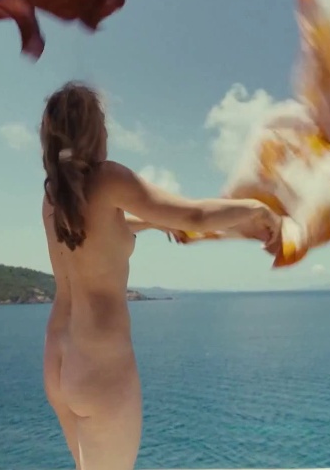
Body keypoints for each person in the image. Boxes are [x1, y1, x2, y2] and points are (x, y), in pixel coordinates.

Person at [38, 81, 282, 470]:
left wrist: (153, 222)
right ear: (93, 131)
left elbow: (100, 233)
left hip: (58, 361)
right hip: (100, 366)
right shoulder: (108, 178)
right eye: (103, 123)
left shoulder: (53, 197)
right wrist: (256, 209)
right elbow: (194, 215)